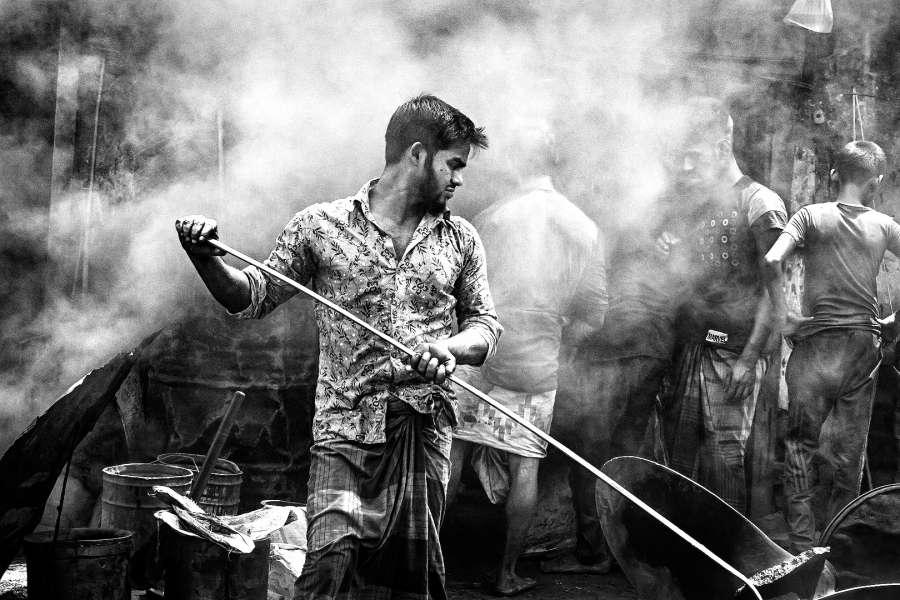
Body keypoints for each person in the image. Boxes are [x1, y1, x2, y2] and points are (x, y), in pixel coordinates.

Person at [175, 94, 502, 600]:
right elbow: (252, 297)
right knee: (328, 567)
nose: (459, 179)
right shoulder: (320, 226)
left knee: (410, 580)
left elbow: (484, 327)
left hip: (421, 427)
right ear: (417, 154)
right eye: (453, 164)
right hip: (345, 429)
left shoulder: (460, 238)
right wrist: (204, 257)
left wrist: (450, 348)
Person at [447, 167, 607, 595]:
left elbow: (456, 291)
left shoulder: (490, 218)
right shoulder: (583, 227)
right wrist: (557, 345)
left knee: (450, 453)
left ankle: (430, 566)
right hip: (534, 365)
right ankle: (506, 574)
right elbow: (594, 315)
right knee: (524, 467)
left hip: (478, 354)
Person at [764, 140, 899, 552]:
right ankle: (838, 548)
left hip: (816, 346)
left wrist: (784, 316)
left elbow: (772, 260)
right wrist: (895, 323)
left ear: (835, 175)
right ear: (875, 182)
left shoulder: (809, 216)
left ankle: (802, 544)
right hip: (861, 348)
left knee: (800, 446)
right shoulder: (886, 225)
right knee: (849, 455)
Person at [661, 97, 787, 514]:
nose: (685, 167)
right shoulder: (695, 202)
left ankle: (724, 549)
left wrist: (749, 359)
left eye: (693, 156)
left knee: (724, 462)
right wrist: (668, 247)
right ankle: (682, 548)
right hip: (691, 348)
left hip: (733, 354)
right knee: (679, 462)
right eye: (681, 157)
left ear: (720, 148)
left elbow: (774, 293)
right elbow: (688, 272)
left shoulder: (760, 203)